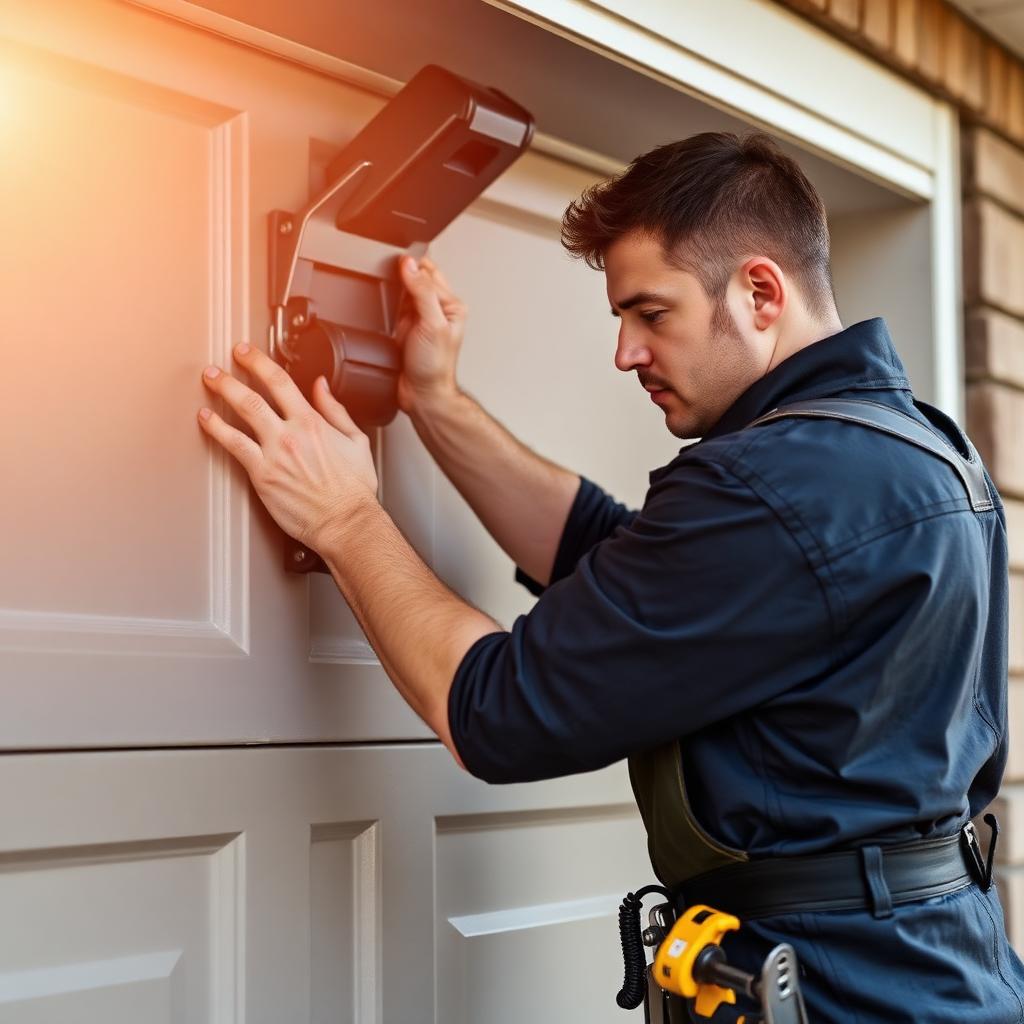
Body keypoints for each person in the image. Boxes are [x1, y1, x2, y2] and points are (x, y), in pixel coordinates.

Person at [197, 130, 1024, 1021]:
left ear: (758, 292)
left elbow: (496, 712)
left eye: (651, 314)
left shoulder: (770, 483)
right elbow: (624, 563)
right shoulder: (923, 450)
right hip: (946, 967)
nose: (625, 353)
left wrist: (345, 517)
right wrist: (432, 403)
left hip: (839, 989)